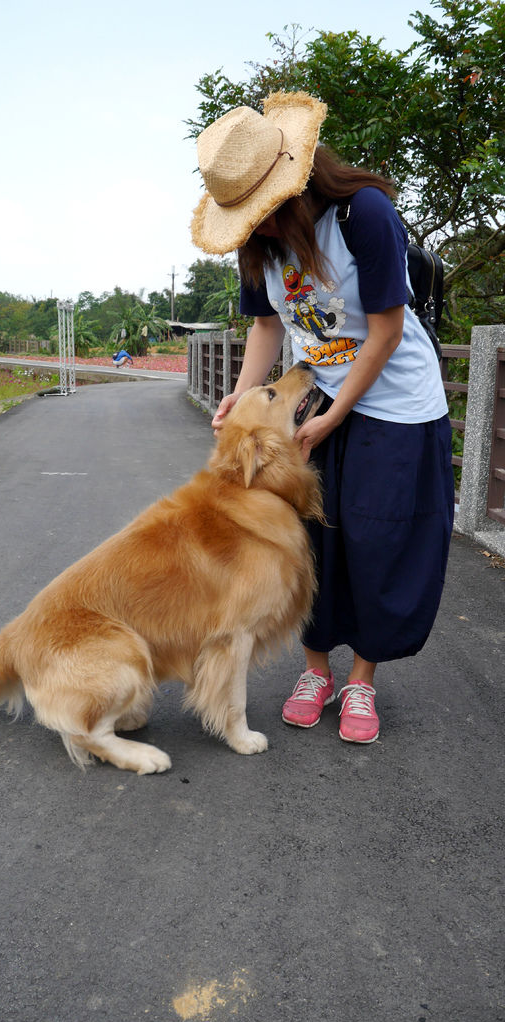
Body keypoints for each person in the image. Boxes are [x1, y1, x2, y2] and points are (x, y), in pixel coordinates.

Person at [190, 92, 454, 744]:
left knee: (374, 544)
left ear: (294, 184)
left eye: (268, 214)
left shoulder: (361, 214)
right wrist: (241, 397)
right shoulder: (262, 244)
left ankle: (361, 678)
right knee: (305, 541)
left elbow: (388, 331)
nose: (263, 230)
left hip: (394, 406)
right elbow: (267, 326)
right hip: (312, 401)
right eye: (250, 222)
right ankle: (317, 671)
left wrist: (337, 414)